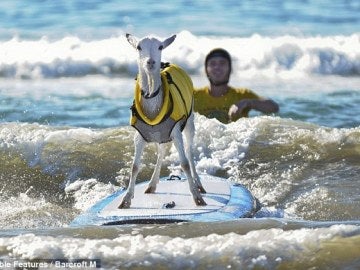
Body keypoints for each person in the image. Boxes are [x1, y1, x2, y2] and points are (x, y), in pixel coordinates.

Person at [193, 48, 279, 123]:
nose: (217, 67)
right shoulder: (193, 95)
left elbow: (274, 108)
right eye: (212, 63)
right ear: (206, 70)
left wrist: (249, 103)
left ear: (230, 69)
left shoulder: (242, 95)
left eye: (222, 63)